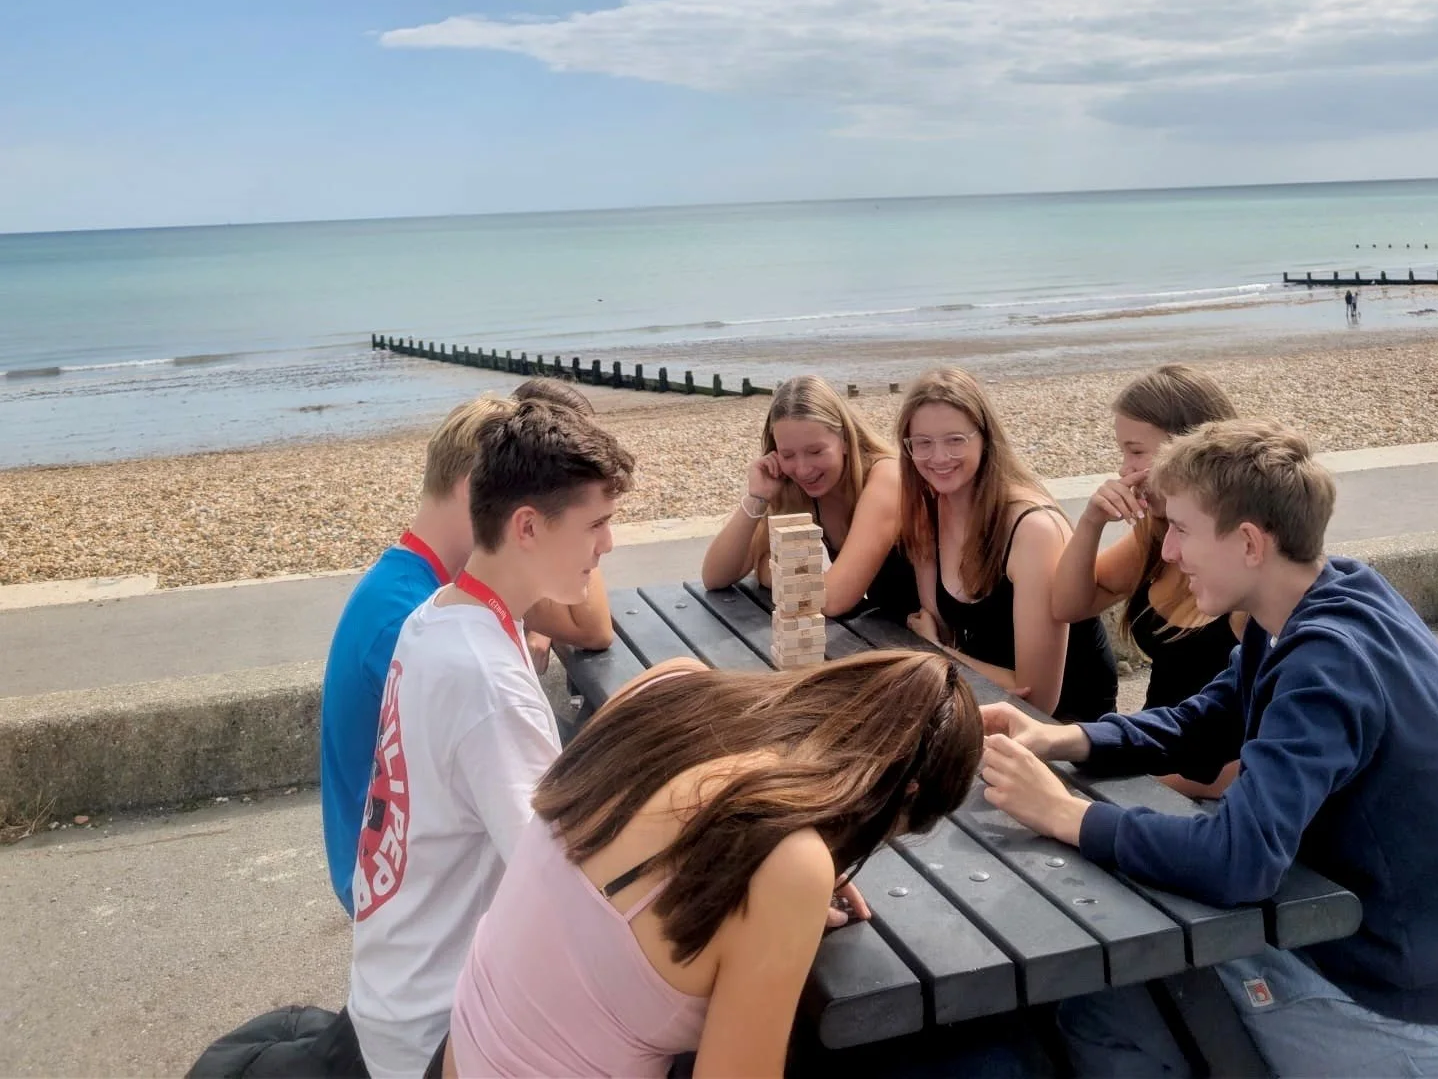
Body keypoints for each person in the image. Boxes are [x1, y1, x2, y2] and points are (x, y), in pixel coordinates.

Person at [979, 419, 1438, 1079]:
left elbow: (1241, 862)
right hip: (1382, 957)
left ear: (1248, 543)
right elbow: (1204, 721)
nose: (1171, 553)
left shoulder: (1328, 662)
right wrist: (1064, 738)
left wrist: (1066, 815)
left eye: (1180, 529)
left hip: (1392, 1014)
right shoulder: (1320, 598)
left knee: (1100, 995)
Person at [440, 650, 982, 1078]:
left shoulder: (669, 685)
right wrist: (793, 878)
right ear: (904, 794)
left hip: (459, 1052)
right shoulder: (786, 863)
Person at [346, 399, 636, 1079]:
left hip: (393, 995)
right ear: (527, 526)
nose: (609, 545)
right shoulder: (486, 680)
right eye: (597, 523)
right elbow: (572, 885)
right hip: (437, 1033)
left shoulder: (437, 618)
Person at [319, 383, 615, 912]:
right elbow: (548, 877)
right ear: (478, 490)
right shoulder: (412, 619)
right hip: (393, 889)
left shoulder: (430, 598)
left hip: (395, 868)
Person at [1051, 366, 1240, 790]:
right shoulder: (1158, 536)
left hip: (1202, 784)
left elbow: (1262, 752)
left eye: (1136, 453)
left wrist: (1151, 785)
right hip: (1158, 747)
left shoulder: (1243, 563)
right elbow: (1067, 606)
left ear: (1188, 448)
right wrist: (1091, 521)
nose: (1124, 470)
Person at [896, 367, 1116, 719]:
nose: (938, 458)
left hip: (1068, 734)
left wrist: (936, 651)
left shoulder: (1033, 529)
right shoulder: (928, 514)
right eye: (922, 443)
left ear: (985, 439)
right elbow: (940, 628)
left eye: (955, 440)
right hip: (981, 704)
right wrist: (950, 654)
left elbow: (1038, 697)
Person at [701, 375, 914, 616]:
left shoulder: (886, 477)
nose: (802, 469)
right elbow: (715, 576)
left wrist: (772, 572)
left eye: (815, 451)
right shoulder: (797, 488)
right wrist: (758, 498)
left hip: (936, 636)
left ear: (845, 439)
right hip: (888, 627)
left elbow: (833, 599)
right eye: (788, 455)